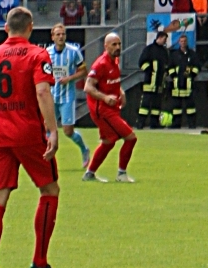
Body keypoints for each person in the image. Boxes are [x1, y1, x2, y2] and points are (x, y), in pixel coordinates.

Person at [0, 4, 62, 268]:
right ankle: (39, 262)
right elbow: (42, 91)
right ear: (30, 27)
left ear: (6, 28)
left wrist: (1, 117)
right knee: (49, 189)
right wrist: (52, 130)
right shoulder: (38, 54)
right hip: (28, 133)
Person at [83, 32, 138, 183]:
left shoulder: (115, 60)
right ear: (105, 46)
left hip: (111, 109)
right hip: (102, 110)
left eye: (119, 44)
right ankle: (121, 174)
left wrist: (121, 92)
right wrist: (105, 98)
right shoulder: (100, 64)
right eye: (114, 44)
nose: (118, 47)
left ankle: (89, 174)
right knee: (131, 138)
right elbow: (88, 87)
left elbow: (111, 81)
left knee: (108, 142)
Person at [46, 20, 89, 167]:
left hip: (67, 97)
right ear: (52, 37)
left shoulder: (73, 51)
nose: (61, 37)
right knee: (47, 128)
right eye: (58, 34)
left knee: (67, 131)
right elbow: (42, 72)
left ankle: (84, 149)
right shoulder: (47, 53)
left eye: (63, 34)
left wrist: (70, 78)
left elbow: (84, 71)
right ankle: (47, 158)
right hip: (51, 96)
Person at [137, 27, 166, 127]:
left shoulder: (164, 51)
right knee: (145, 104)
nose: (165, 41)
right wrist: (149, 70)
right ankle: (141, 122)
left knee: (156, 105)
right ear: (160, 37)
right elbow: (141, 62)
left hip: (159, 83)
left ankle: (154, 123)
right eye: (164, 39)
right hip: (149, 82)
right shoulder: (149, 49)